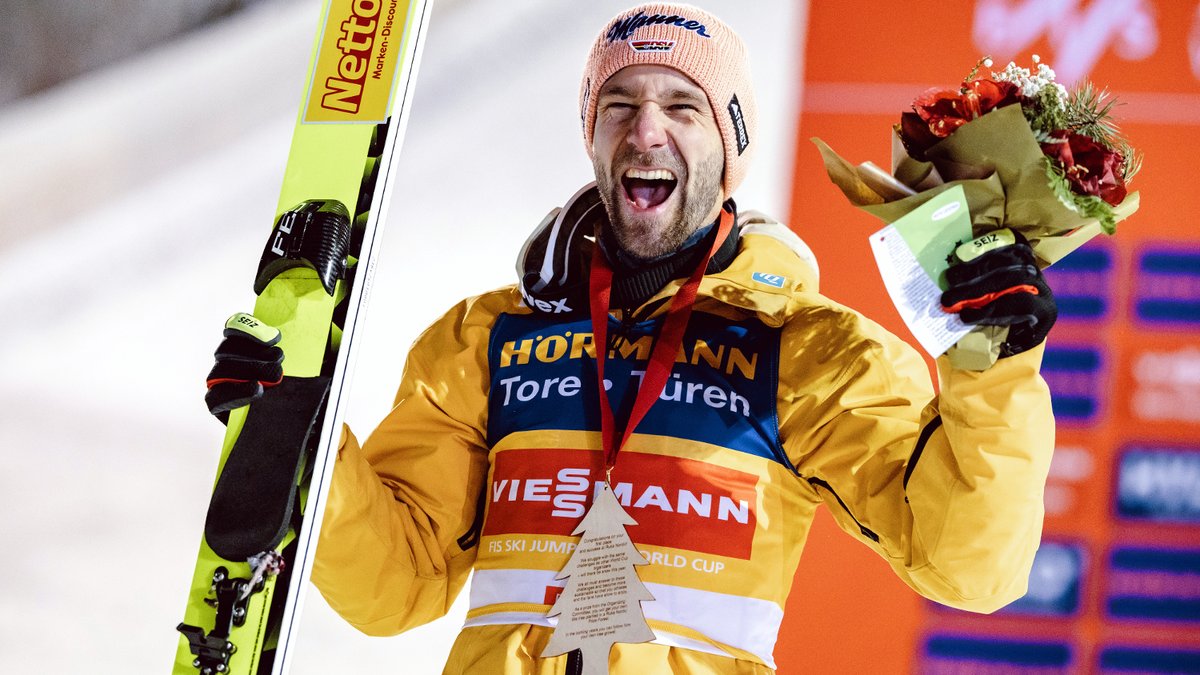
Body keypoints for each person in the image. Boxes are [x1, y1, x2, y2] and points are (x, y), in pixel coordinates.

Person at [206, 4, 1058, 673]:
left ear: (729, 149)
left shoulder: (809, 354)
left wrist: (995, 367)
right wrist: (303, 441)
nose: (646, 130)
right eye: (620, 105)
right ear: (594, 136)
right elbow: (396, 584)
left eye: (683, 107)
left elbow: (970, 566)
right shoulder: (484, 341)